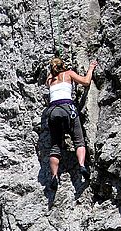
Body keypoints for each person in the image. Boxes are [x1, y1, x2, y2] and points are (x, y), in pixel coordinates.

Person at [46, 56, 97, 190]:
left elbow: (51, 76)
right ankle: (81, 165)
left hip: (53, 111)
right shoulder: (69, 73)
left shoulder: (50, 79)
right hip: (68, 108)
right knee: (78, 140)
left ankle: (54, 176)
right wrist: (91, 68)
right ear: (63, 65)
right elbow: (86, 82)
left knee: (55, 146)